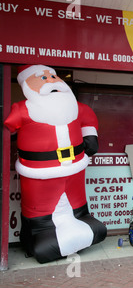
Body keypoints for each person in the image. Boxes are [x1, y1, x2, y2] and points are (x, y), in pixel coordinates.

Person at [4, 64, 107, 263]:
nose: (51, 80)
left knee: (77, 203)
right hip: (40, 175)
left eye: (52, 75)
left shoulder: (75, 107)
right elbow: (9, 127)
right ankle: (39, 233)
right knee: (40, 209)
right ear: (27, 84)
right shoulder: (22, 109)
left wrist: (90, 136)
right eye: (42, 78)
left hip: (75, 170)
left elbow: (88, 118)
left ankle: (81, 221)